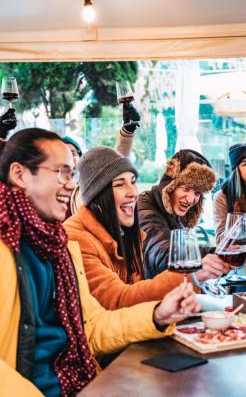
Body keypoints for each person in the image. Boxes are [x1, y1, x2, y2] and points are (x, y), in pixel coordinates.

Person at [0, 128, 200, 396]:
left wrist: (158, 314)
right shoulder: (9, 246)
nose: (71, 184)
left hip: (80, 382)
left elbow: (91, 328)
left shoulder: (60, 247)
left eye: (71, 174)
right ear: (20, 174)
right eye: (60, 172)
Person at [64, 147, 225, 309]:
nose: (133, 192)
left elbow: (136, 290)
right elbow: (118, 300)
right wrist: (195, 273)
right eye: (119, 184)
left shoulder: (124, 232)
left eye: (133, 181)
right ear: (97, 195)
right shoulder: (76, 239)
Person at [138, 149, 231, 279]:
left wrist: (222, 253)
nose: (191, 199)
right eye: (185, 189)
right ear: (169, 186)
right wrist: (201, 264)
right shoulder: (145, 206)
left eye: (197, 193)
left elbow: (183, 251)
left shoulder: (172, 210)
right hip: (147, 295)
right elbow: (162, 253)